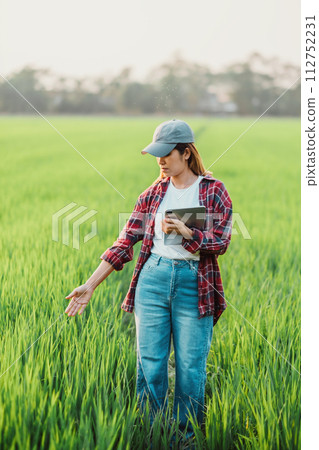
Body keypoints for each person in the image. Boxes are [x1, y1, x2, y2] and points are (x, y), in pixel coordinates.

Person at [65, 119, 233, 445]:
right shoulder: (153, 193)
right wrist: (90, 284)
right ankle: (153, 434)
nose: (160, 161)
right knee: (151, 365)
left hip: (194, 283)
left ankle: (185, 439)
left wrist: (187, 232)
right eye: (156, 154)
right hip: (152, 280)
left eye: (166, 154)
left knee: (191, 369)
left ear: (186, 153)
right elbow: (124, 241)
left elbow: (221, 241)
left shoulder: (213, 191)